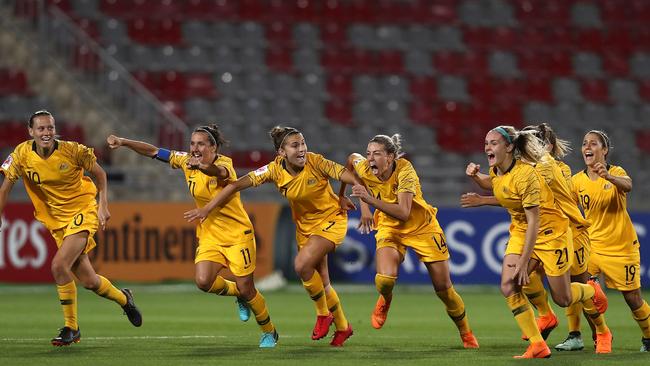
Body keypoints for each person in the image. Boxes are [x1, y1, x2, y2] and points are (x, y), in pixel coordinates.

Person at [183, 126, 359, 347]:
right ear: (282, 153)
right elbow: (237, 185)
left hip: (331, 219)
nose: (302, 149)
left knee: (302, 265)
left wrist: (363, 200)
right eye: (295, 145)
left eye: (303, 143)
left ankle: (323, 314)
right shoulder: (274, 170)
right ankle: (343, 327)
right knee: (322, 280)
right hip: (304, 226)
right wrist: (208, 208)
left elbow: (346, 175)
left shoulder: (317, 162)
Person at [106, 125, 278, 348]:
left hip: (238, 234)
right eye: (192, 143)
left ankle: (269, 331)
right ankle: (238, 293)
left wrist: (203, 167)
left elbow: (218, 173)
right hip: (210, 234)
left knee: (249, 288)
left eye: (201, 144)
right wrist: (124, 141)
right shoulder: (186, 160)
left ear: (213, 147)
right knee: (203, 281)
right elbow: (154, 152)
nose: (195, 148)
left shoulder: (224, 164)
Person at [463, 125, 610, 358]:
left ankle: (590, 290)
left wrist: (523, 262)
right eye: (486, 143)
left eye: (493, 143)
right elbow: (501, 188)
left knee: (563, 299)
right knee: (508, 285)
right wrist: (476, 180)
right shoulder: (498, 171)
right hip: (521, 231)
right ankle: (538, 345)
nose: (487, 147)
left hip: (551, 232)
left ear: (510, 147)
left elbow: (535, 221)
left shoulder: (530, 174)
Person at [0, 110, 142, 347]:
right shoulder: (21, 154)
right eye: (41, 129)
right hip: (57, 220)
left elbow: (100, 174)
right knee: (89, 281)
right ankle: (124, 299)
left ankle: (71, 327)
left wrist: (102, 205)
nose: (47, 133)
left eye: (50, 128)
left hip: (83, 211)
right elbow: (5, 188)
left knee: (58, 265)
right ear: (31, 131)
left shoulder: (73, 150)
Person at [340, 134, 479, 349]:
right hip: (389, 226)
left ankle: (466, 332)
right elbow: (351, 160)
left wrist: (368, 199)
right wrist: (359, 204)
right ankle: (385, 299)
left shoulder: (406, 172)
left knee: (444, 289)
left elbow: (404, 212)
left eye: (377, 154)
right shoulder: (366, 167)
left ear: (390, 157)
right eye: (368, 154)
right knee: (385, 280)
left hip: (422, 227)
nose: (370, 159)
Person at [572, 130, 650, 352]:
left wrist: (609, 177)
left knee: (633, 299)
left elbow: (628, 185)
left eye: (593, 143)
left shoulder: (616, 172)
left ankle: (648, 336)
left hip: (621, 248)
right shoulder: (576, 181)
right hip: (592, 246)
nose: (587, 146)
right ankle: (601, 335)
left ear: (604, 150)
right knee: (586, 292)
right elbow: (566, 205)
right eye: (584, 143)